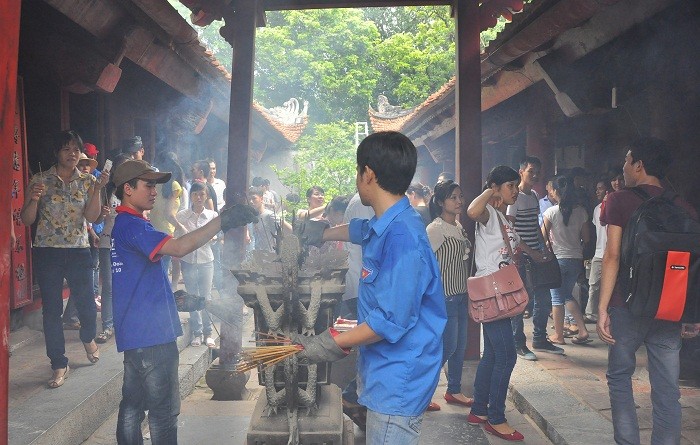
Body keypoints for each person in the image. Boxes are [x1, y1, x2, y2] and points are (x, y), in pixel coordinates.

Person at [295, 131, 447, 444]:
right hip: (383, 369)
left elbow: (389, 321)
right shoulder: (389, 221)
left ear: (368, 174)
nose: (356, 179)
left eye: (357, 171)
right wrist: (318, 234)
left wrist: (326, 344)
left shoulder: (403, 239)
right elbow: (359, 229)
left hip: (399, 377)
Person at [110, 159, 257, 444]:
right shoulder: (134, 226)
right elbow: (179, 247)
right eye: (148, 185)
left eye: (156, 185)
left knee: (132, 406)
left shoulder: (127, 225)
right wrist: (221, 221)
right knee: (163, 410)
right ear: (127, 189)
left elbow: (136, 279)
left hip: (137, 330)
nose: (155, 191)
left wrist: (173, 298)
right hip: (153, 334)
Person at [597, 138, 697, 445]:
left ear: (639, 165)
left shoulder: (620, 200)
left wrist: (602, 308)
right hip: (669, 306)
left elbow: (612, 255)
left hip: (627, 305)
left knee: (619, 376)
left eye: (627, 161)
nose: (624, 167)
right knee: (667, 386)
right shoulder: (683, 206)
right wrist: (691, 312)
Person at [20, 130, 109, 388]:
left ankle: (88, 335)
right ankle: (59, 363)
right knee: (52, 310)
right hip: (48, 251)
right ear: (57, 152)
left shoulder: (89, 182)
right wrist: (34, 199)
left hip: (79, 249)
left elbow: (92, 218)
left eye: (75, 149)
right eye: (66, 149)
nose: (72, 154)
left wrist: (98, 190)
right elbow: (26, 219)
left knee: (86, 303)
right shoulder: (40, 180)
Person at [466, 165, 545, 441]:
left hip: (503, 292)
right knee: (507, 355)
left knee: (491, 355)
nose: (515, 190)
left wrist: (537, 255)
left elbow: (515, 247)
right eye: (510, 185)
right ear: (497, 187)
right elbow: (472, 212)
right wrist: (490, 189)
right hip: (493, 293)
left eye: (514, 185)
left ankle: (479, 409)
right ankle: (496, 418)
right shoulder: (489, 215)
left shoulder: (502, 217)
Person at [507, 157, 564, 360]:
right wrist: (530, 251)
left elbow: (534, 226)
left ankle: (539, 338)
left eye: (537, 172)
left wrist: (543, 246)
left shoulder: (534, 196)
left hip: (536, 254)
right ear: (521, 171)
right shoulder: (515, 198)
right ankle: (518, 342)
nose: (535, 175)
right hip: (521, 256)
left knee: (543, 298)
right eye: (531, 171)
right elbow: (510, 230)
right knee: (521, 301)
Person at [427, 180, 474, 409]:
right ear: (439, 202)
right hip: (444, 298)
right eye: (453, 197)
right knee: (447, 347)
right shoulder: (435, 229)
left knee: (459, 347)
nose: (459, 201)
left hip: (461, 295)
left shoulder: (458, 226)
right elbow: (423, 263)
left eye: (460, 196)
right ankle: (422, 393)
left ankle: (453, 390)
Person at [542, 176, 592, 345]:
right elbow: (586, 238)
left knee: (557, 298)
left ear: (556, 191)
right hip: (575, 259)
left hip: (557, 259)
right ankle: (583, 330)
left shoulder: (551, 212)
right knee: (566, 295)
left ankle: (559, 336)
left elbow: (542, 236)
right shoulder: (581, 211)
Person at [176, 182, 217, 348]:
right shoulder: (182, 216)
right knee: (192, 297)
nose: (199, 197)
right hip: (188, 261)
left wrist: (211, 238)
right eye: (195, 194)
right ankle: (197, 333)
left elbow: (215, 237)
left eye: (202, 194)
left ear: (206, 196)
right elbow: (178, 236)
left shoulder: (213, 216)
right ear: (191, 196)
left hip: (207, 260)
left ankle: (208, 333)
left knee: (206, 296)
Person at [95, 154, 131, 344]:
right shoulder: (107, 191)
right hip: (107, 242)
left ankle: (124, 322)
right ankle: (107, 326)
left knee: (125, 284)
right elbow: (97, 220)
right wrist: (102, 214)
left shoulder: (134, 189)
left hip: (127, 244)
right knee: (108, 285)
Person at [151, 152, 187, 290]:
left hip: (154, 229)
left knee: (158, 269)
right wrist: (182, 228)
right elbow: (169, 214)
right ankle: (163, 302)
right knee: (164, 269)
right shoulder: (175, 185)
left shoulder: (156, 184)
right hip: (166, 232)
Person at [584, 177, 610, 323]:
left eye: (600, 188)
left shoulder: (615, 206)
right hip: (599, 252)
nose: (597, 191)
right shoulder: (596, 209)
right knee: (593, 284)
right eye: (597, 188)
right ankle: (591, 313)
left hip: (612, 253)